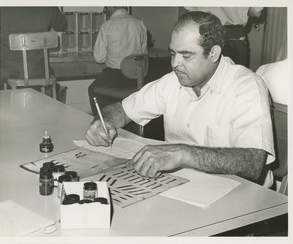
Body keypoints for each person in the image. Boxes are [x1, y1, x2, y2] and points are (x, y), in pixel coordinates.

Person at [85, 11, 275, 187]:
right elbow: (123, 110)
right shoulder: (172, 81)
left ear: (214, 54)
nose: (175, 64)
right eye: (173, 53)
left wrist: (183, 153)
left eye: (186, 55)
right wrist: (103, 122)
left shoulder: (246, 86)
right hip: (185, 187)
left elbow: (253, 162)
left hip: (241, 195)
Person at [88, 6, 148, 115]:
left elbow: (99, 58)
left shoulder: (107, 25)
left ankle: (102, 123)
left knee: (92, 89)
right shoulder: (139, 23)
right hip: (136, 78)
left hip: (115, 77)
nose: (104, 10)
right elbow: (144, 54)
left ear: (111, 7)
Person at [0, 7, 67, 101]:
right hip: (38, 73)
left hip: (7, 73)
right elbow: (62, 26)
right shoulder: (48, 6)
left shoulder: (2, 7)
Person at [182, 7, 264, 66]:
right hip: (234, 33)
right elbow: (256, 12)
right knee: (233, 79)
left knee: (201, 77)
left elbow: (188, 7)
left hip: (204, 30)